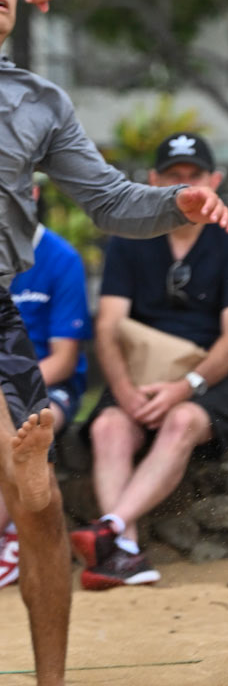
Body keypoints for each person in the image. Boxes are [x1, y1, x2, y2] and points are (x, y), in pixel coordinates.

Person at [0, 0, 228, 686]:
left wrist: (177, 203)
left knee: (41, 511)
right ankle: (18, 464)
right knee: (19, 473)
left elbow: (109, 200)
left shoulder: (38, 101)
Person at [74, 130, 228, 591]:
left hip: (216, 379)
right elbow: (108, 326)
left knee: (180, 421)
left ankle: (110, 527)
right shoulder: (127, 240)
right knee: (107, 426)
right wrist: (124, 393)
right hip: (139, 375)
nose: (185, 185)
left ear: (213, 179)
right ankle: (126, 553)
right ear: (153, 180)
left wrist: (186, 386)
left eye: (194, 176)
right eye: (173, 176)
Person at [0, 202, 92, 588]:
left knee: (21, 431)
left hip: (49, 386)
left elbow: (65, 359)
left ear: (30, 191)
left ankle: (17, 538)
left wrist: (11, 395)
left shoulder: (60, 258)